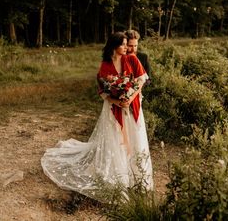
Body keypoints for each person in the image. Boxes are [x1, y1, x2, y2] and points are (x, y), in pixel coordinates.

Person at [41, 32, 153, 203]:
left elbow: (141, 80)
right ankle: (121, 178)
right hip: (114, 109)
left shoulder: (131, 59)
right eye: (123, 44)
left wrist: (129, 98)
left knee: (135, 140)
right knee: (118, 142)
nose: (127, 47)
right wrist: (116, 100)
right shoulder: (105, 66)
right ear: (114, 46)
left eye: (127, 44)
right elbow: (102, 92)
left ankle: (138, 177)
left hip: (132, 108)